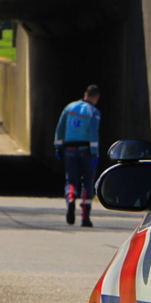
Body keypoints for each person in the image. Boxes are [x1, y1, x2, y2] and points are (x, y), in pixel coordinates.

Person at [54, 85, 102, 227]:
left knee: (71, 180)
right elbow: (94, 133)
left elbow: (60, 128)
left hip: (69, 148)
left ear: (85, 94)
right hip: (86, 150)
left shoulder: (69, 108)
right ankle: (85, 217)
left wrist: (58, 147)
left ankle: (70, 199)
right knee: (87, 182)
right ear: (96, 98)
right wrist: (95, 154)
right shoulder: (94, 112)